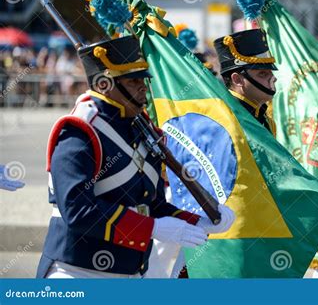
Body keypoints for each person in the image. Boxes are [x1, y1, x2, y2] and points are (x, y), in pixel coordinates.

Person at [37, 35, 234, 278]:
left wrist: (196, 222)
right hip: (77, 271)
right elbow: (77, 210)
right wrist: (151, 228)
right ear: (103, 84)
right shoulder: (80, 130)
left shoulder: (141, 128)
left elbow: (152, 204)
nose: (143, 86)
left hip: (132, 271)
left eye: (143, 79)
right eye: (133, 80)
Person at [214, 29, 278, 134]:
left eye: (271, 72)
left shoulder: (265, 119)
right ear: (237, 79)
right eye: (262, 74)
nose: (274, 78)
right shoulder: (224, 119)